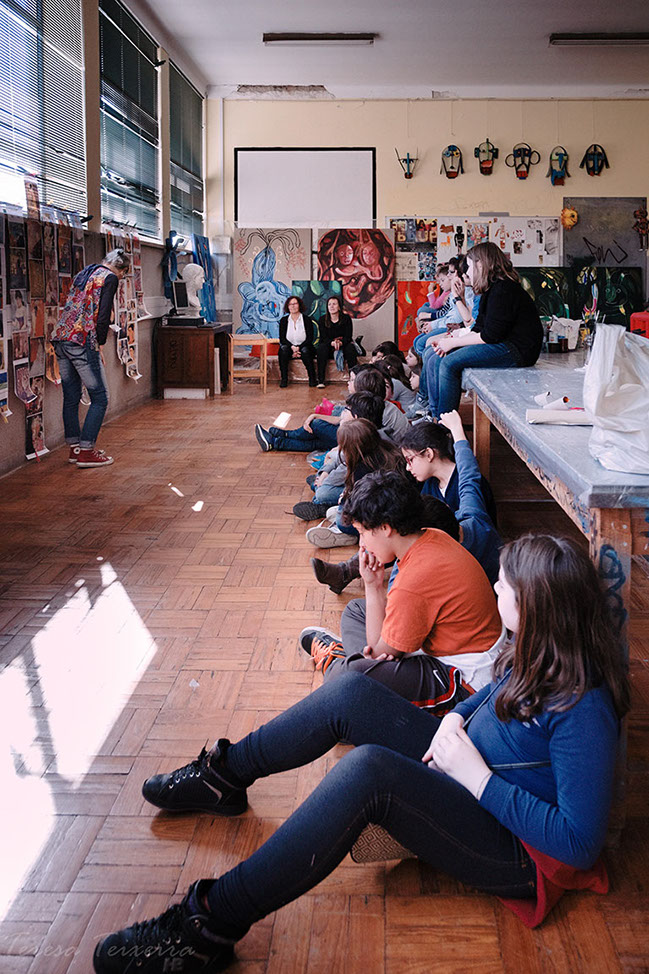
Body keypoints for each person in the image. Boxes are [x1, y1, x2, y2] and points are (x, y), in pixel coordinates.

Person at [94, 533, 628, 972]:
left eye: (503, 584)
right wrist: (456, 719)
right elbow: (492, 694)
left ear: (535, 606)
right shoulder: (534, 646)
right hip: (466, 768)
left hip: (519, 849)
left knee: (369, 771)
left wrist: (476, 778)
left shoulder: (584, 707)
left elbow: (580, 845)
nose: (494, 586)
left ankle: (208, 924)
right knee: (350, 690)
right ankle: (223, 777)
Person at [301, 471, 502, 704]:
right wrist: (372, 584)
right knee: (356, 611)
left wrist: (373, 588)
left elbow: (378, 654)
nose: (362, 544)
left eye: (362, 533)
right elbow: (380, 651)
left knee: (347, 676)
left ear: (385, 528)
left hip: (464, 682)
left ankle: (339, 662)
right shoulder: (431, 535)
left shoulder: (414, 580)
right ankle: (353, 662)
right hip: (446, 650)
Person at [424, 242, 543, 418]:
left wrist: (453, 342)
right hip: (503, 343)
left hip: (518, 350)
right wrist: (448, 342)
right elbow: (479, 328)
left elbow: (490, 336)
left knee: (449, 364)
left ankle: (445, 425)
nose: (467, 271)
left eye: (469, 265)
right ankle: (436, 417)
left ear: (480, 264)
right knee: (440, 357)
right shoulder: (491, 289)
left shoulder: (504, 289)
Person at [51, 248, 130, 468]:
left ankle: (75, 449)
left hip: (61, 338)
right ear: (121, 269)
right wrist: (100, 345)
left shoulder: (85, 272)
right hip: (82, 340)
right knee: (100, 397)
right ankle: (87, 452)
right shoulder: (110, 278)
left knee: (71, 396)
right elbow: (103, 315)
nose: (121, 277)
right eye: (124, 273)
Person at [254, 364, 408, 453]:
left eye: (352, 380)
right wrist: (315, 415)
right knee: (317, 441)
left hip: (372, 446)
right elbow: (342, 420)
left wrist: (317, 419)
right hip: (367, 442)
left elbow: (352, 431)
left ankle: (281, 436)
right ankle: (275, 441)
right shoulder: (369, 402)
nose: (349, 383)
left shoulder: (373, 406)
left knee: (317, 427)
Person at [304, 419, 406, 549]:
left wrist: (344, 500)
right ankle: (330, 510)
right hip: (383, 504)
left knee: (339, 517)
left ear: (351, 448)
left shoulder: (362, 469)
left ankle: (346, 532)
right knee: (334, 501)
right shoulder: (383, 447)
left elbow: (359, 500)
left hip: (379, 512)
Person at [315, 295, 357, 387]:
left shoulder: (346, 318)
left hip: (343, 344)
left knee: (350, 348)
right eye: (329, 304)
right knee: (321, 348)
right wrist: (332, 343)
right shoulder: (322, 319)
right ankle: (321, 380)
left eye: (334, 304)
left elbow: (348, 336)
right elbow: (323, 337)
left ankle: (354, 378)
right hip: (329, 345)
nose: (331, 306)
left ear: (339, 307)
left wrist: (340, 343)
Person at [277, 295, 317, 388]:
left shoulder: (306, 319)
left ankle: (312, 379)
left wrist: (298, 348)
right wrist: (292, 347)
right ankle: (284, 379)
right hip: (289, 347)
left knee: (305, 351)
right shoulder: (284, 320)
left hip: (304, 346)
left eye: (295, 303)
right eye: (290, 304)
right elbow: (282, 339)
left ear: (299, 305)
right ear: (287, 306)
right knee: (283, 349)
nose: (293, 306)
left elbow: (310, 338)